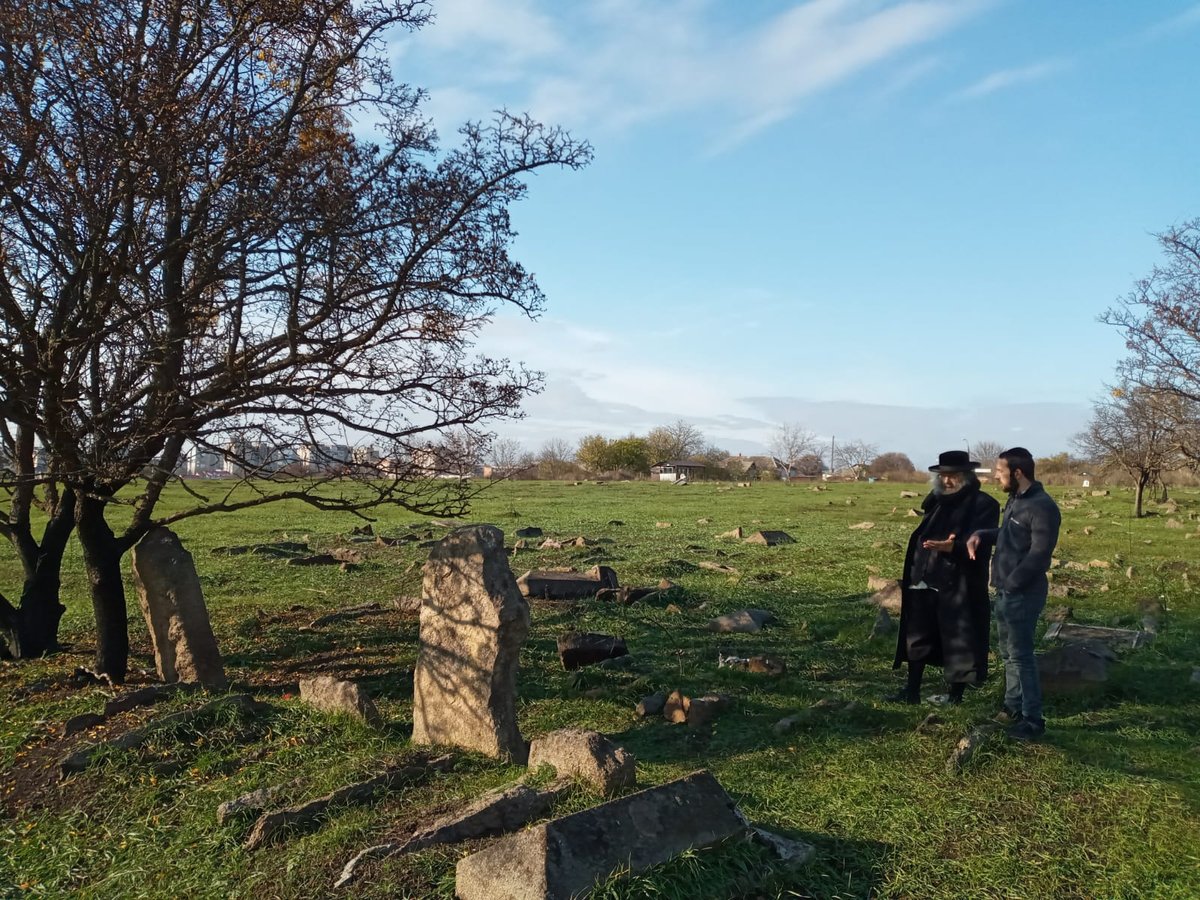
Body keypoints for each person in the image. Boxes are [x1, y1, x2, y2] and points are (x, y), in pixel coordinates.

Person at [891, 450, 1000, 705]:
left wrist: (956, 547)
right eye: (943, 476)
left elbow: (982, 544)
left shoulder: (984, 504)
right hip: (923, 578)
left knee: (958, 639)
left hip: (957, 583)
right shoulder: (935, 501)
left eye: (953, 476)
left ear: (967, 476)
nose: (948, 481)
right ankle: (912, 691)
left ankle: (955, 696)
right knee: (917, 635)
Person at [967, 447, 1061, 741]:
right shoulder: (1015, 501)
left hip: (1023, 594)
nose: (996, 476)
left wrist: (1012, 583)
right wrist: (981, 534)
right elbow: (1008, 535)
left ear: (1017, 473)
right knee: (1008, 654)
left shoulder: (1042, 507)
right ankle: (1012, 708)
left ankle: (1033, 720)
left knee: (1022, 657)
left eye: (1000, 471)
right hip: (1007, 592)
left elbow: (1039, 556)